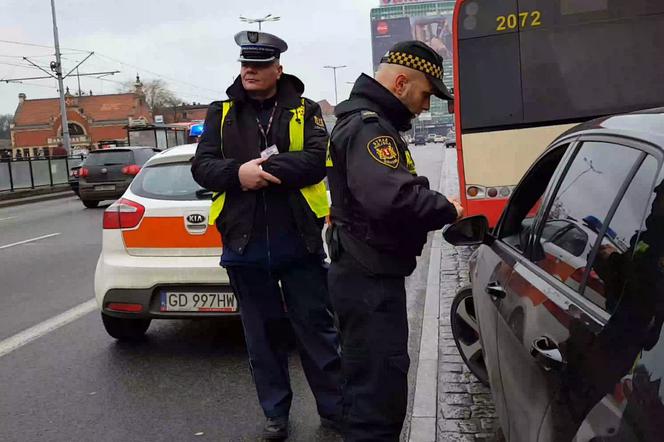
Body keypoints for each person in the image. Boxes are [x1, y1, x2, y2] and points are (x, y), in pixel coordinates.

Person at [191, 30, 342, 440]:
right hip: (244, 241)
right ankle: (276, 415)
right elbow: (202, 167)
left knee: (317, 330)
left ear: (278, 68)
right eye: (245, 65)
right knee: (261, 338)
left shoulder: (304, 109)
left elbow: (316, 160)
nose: (250, 72)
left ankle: (334, 411)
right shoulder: (220, 112)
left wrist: (265, 172)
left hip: (299, 238)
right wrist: (239, 175)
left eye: (259, 65)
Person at [326, 40, 463, 441]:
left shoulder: (365, 123)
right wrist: (449, 209)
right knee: (377, 401)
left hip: (365, 273)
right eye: (424, 95)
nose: (425, 107)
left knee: (371, 389)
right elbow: (392, 196)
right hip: (368, 280)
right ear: (401, 82)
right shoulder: (370, 129)